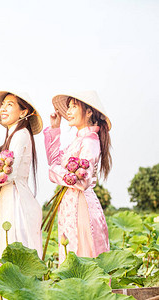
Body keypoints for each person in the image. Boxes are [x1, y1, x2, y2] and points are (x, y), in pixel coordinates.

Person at [44, 91, 111, 263]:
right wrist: (55, 129)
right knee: (70, 254)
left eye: (74, 106)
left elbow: (81, 181)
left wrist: (55, 172)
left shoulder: (90, 140)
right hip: (70, 203)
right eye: (69, 107)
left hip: (81, 205)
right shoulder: (78, 140)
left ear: (89, 112)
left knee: (81, 252)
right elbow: (53, 160)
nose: (69, 111)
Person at [0, 91, 43, 257]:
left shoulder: (21, 134)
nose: (3, 108)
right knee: (11, 251)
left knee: (18, 253)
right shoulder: (13, 136)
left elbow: (10, 175)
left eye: (10, 104)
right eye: (3, 104)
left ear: (23, 112)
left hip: (17, 199)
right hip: (9, 197)